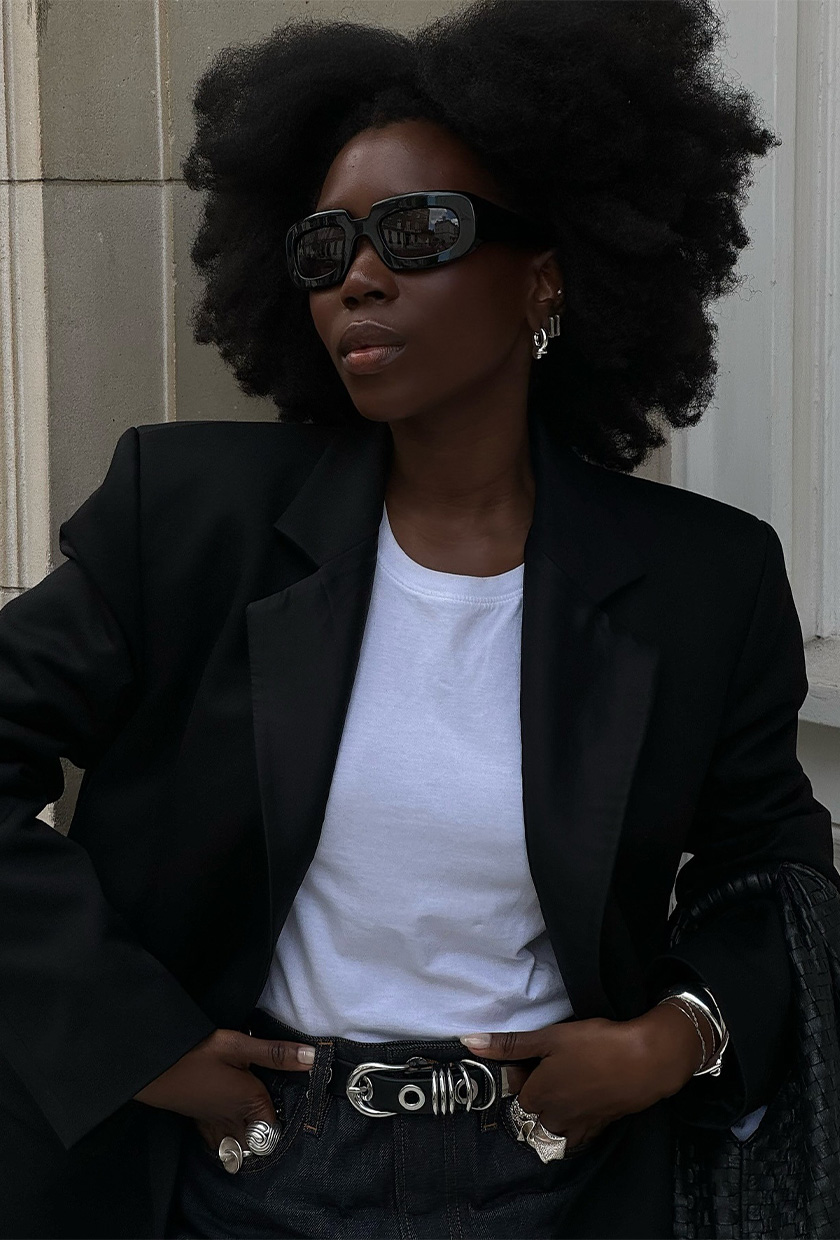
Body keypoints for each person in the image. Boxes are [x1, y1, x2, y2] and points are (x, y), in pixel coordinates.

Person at [1, 2, 836, 1237]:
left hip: (569, 1178)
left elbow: (772, 865)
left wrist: (676, 1039)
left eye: (418, 230)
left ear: (546, 274)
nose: (361, 276)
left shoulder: (702, 579)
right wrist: (136, 1041)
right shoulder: (186, 521)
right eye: (325, 247)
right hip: (238, 1176)